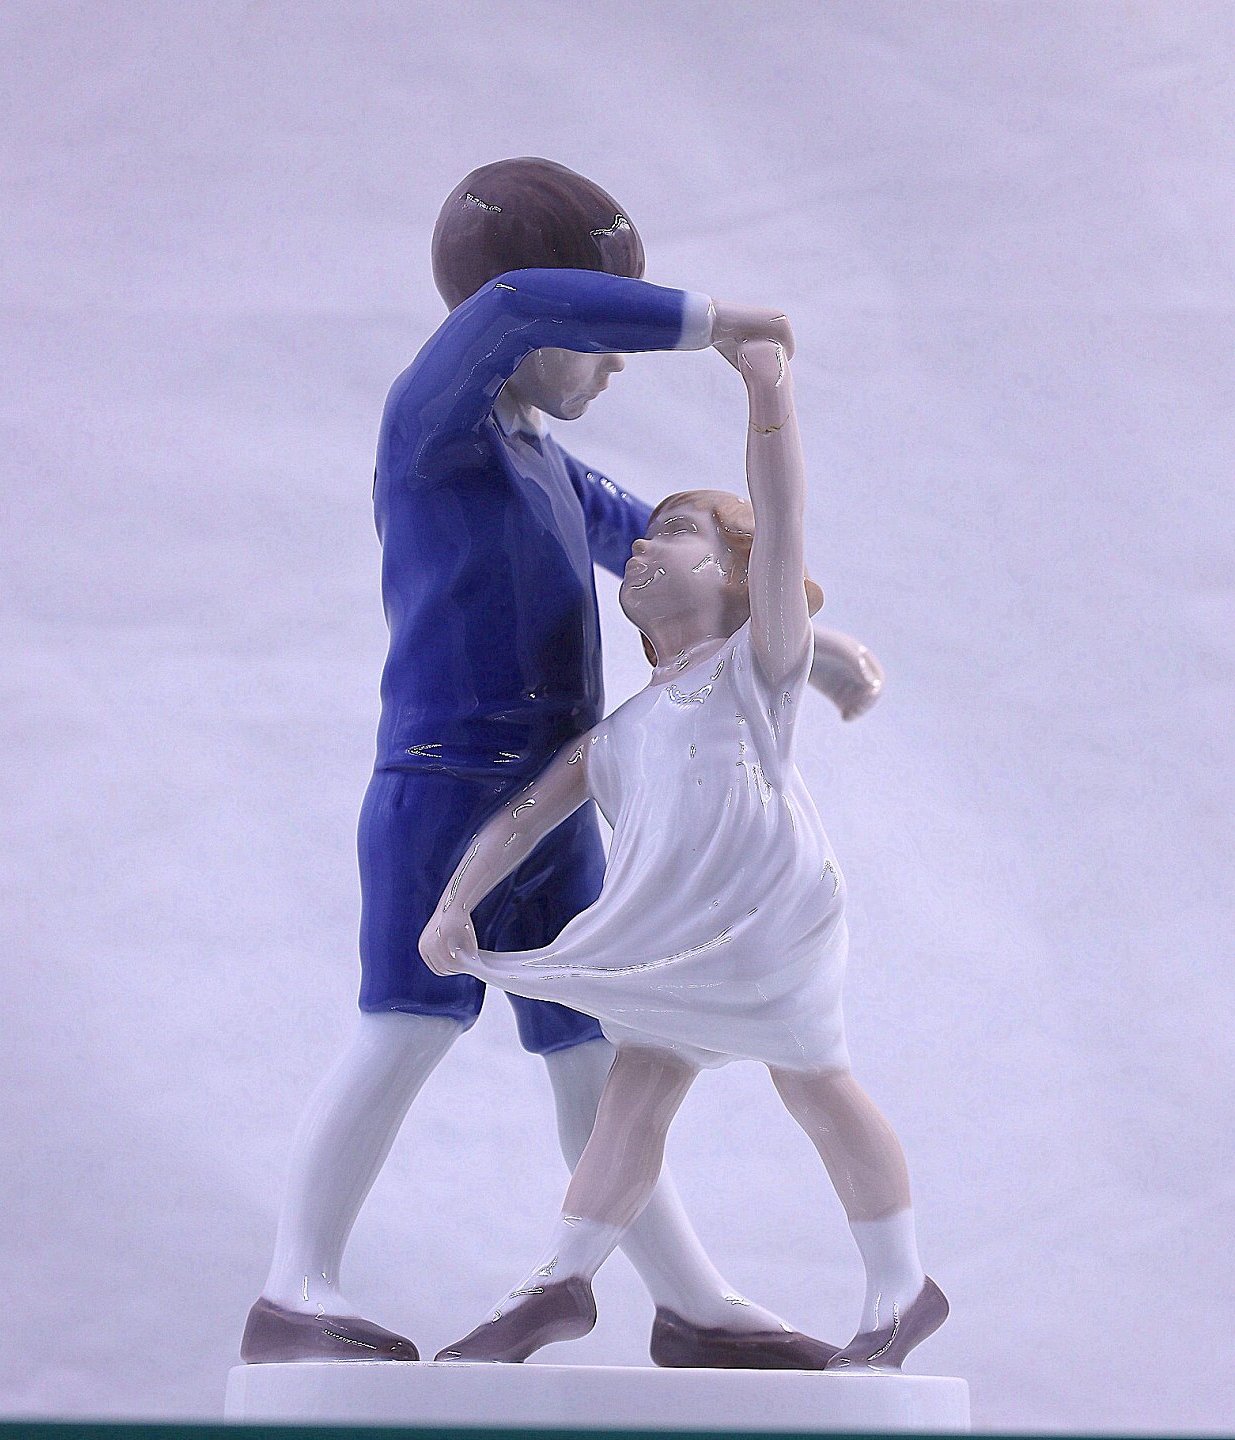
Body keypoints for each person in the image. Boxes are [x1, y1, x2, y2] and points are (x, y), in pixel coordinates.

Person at [242, 158, 883, 1366]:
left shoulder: (540, 455)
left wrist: (811, 643)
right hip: (442, 783)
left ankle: (689, 1304)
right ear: (535, 326)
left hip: (551, 795)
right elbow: (515, 302)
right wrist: (707, 322)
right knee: (405, 1024)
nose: (615, 361)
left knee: (592, 1045)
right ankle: (293, 1289)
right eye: (603, 329)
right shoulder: (435, 426)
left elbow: (662, 544)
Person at [421, 339, 947, 1370]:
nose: (644, 547)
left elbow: (783, 507)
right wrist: (453, 905)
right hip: (668, 940)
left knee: (816, 1085)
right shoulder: (617, 733)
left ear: (739, 574)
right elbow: (524, 814)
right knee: (635, 1090)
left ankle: (900, 1285)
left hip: (767, 924)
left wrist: (768, 389)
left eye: (677, 531)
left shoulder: (757, 667)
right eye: (646, 531)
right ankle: (560, 1283)